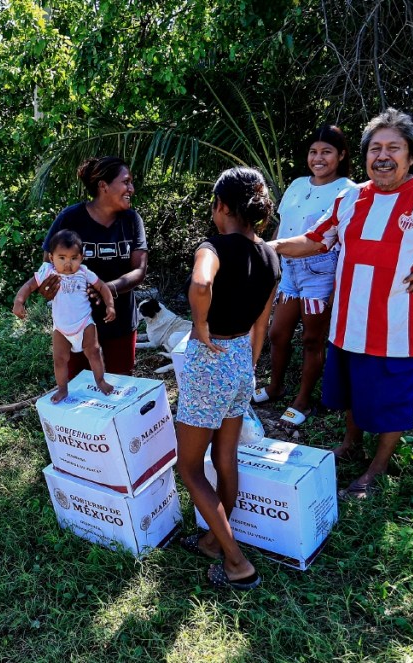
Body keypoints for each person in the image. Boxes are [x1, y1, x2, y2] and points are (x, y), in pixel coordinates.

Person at [270, 108, 413, 499]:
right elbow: (315, 240)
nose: (383, 155)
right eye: (375, 147)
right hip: (345, 323)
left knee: (391, 400)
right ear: (363, 156)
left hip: (396, 328)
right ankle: (350, 445)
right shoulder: (350, 197)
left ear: (411, 155)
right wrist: (265, 246)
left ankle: (376, 470)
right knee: (349, 392)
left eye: (394, 147)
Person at [176, 167, 280, 591]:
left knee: (188, 467)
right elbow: (263, 321)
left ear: (221, 206)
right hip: (240, 360)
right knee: (225, 458)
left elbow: (202, 283)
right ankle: (212, 543)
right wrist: (249, 365)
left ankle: (236, 562)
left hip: (211, 357)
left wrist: (199, 325)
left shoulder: (213, 246)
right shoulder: (271, 255)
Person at [253, 125, 354, 426]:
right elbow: (283, 227)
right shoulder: (297, 184)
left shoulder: (348, 190)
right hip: (290, 269)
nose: (318, 158)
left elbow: (344, 240)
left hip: (321, 270)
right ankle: (275, 386)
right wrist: (269, 258)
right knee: (277, 333)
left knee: (312, 339)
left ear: (341, 155)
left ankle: (303, 399)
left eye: (326, 152)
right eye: (313, 151)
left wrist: (338, 285)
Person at [40, 156, 148, 378]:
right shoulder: (70, 219)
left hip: (120, 321)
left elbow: (139, 270)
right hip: (75, 325)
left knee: (121, 386)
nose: (132, 189)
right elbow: (48, 266)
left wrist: (108, 288)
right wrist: (46, 288)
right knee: (79, 388)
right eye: (126, 182)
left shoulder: (131, 220)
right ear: (103, 186)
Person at [13, 230, 116, 402]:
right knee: (59, 359)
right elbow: (29, 286)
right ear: (52, 258)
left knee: (94, 352)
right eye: (62, 258)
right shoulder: (48, 272)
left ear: (81, 258)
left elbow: (103, 287)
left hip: (85, 323)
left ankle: (100, 380)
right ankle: (62, 389)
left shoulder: (84, 272)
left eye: (73, 258)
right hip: (61, 327)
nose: (68, 263)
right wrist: (19, 302)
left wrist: (110, 305)